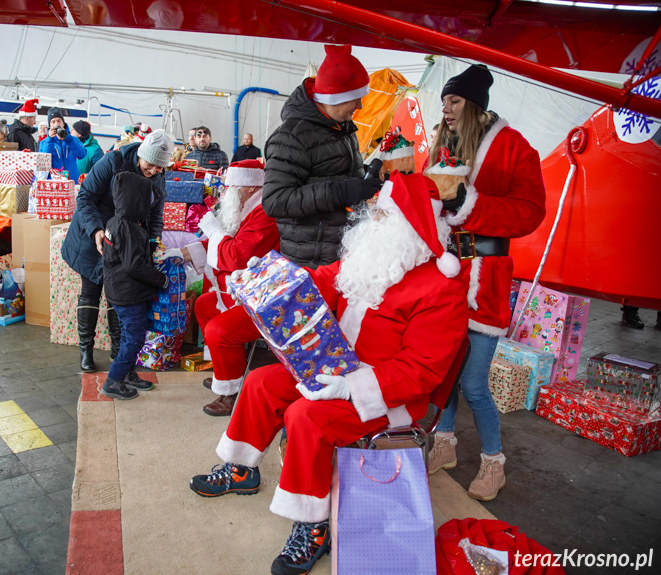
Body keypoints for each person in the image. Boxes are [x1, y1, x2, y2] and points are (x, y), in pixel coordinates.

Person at [190, 172, 468, 575]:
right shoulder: (370, 258)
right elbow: (318, 283)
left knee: (306, 417)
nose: (370, 221)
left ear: (410, 227)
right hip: (336, 368)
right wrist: (266, 279)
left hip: (388, 396)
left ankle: (313, 523)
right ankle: (240, 467)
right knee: (262, 381)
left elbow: (422, 371)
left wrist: (352, 386)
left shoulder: (441, 289)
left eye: (381, 215)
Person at [426, 64, 546, 502]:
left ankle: (494, 462)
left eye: (454, 101)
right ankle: (445, 442)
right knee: (444, 370)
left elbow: (531, 211)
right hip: (444, 276)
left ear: (475, 105)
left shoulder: (514, 147)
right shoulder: (443, 145)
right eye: (444, 102)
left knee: (474, 382)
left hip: (486, 280)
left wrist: (469, 203)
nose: (447, 109)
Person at [166, 160, 280, 415]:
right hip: (244, 290)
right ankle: (226, 371)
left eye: (231, 186)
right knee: (204, 306)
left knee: (219, 329)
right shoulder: (246, 209)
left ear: (249, 187)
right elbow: (223, 245)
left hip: (263, 296)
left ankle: (230, 392)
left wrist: (212, 228)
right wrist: (182, 253)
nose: (225, 192)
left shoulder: (264, 213)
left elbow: (235, 255)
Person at [61, 129, 173, 375]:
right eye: (151, 165)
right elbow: (86, 197)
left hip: (126, 243)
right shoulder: (113, 161)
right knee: (91, 290)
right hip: (95, 235)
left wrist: (153, 244)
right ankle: (86, 350)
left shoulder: (157, 176)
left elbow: (156, 216)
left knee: (120, 294)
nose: (154, 171)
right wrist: (96, 230)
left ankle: (118, 350)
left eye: (159, 168)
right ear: (142, 154)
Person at [262, 45, 380, 269]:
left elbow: (332, 171)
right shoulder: (291, 137)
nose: (360, 105)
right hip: (311, 262)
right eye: (354, 98)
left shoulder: (341, 128)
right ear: (333, 96)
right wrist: (342, 191)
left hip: (342, 253)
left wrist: (366, 177)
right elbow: (276, 200)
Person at [99, 172, 171, 400]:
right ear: (135, 199)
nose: (149, 203)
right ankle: (113, 381)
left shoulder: (114, 221)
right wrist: (161, 279)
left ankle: (128, 374)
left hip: (118, 290)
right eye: (146, 198)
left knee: (128, 335)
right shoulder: (128, 229)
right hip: (129, 294)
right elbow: (133, 266)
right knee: (135, 337)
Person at [39, 108, 87, 182]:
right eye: (53, 122)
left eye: (59, 121)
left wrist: (67, 138)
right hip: (54, 182)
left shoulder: (72, 139)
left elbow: (82, 154)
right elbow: (43, 162)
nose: (57, 124)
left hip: (72, 180)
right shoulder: (44, 142)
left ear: (63, 123)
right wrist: (50, 140)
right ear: (49, 125)